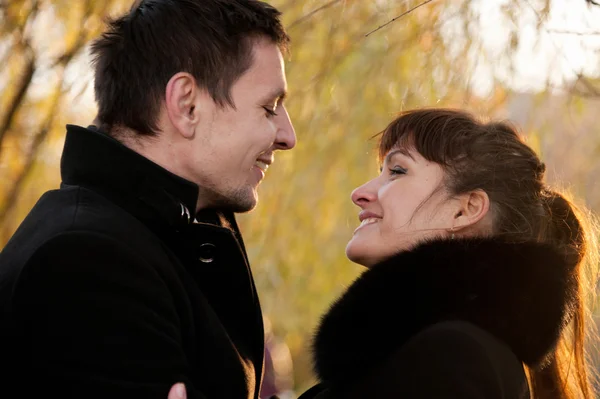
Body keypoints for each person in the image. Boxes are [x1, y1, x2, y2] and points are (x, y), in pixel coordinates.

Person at [0, 0, 295, 398]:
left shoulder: (163, 233)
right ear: (186, 104)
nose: (287, 136)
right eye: (270, 107)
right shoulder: (86, 262)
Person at [299, 108, 599, 399]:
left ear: (465, 209)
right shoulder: (427, 353)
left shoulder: (452, 358)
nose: (360, 193)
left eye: (397, 171)